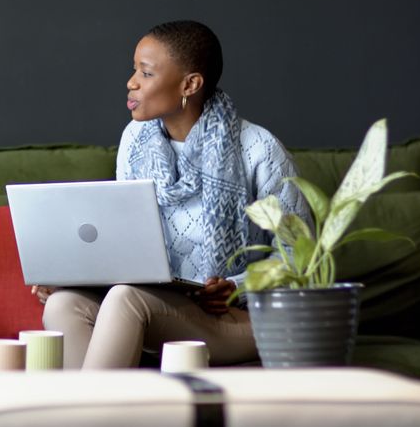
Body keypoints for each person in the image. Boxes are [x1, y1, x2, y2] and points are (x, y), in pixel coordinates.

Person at [35, 20, 309, 369]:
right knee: (63, 304)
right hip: (162, 306)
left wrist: (237, 286)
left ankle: (87, 403)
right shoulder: (135, 141)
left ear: (190, 84)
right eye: (134, 69)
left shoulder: (259, 149)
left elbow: (302, 258)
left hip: (245, 316)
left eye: (146, 73)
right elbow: (125, 245)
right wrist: (71, 276)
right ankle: (99, 400)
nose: (131, 82)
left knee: (125, 299)